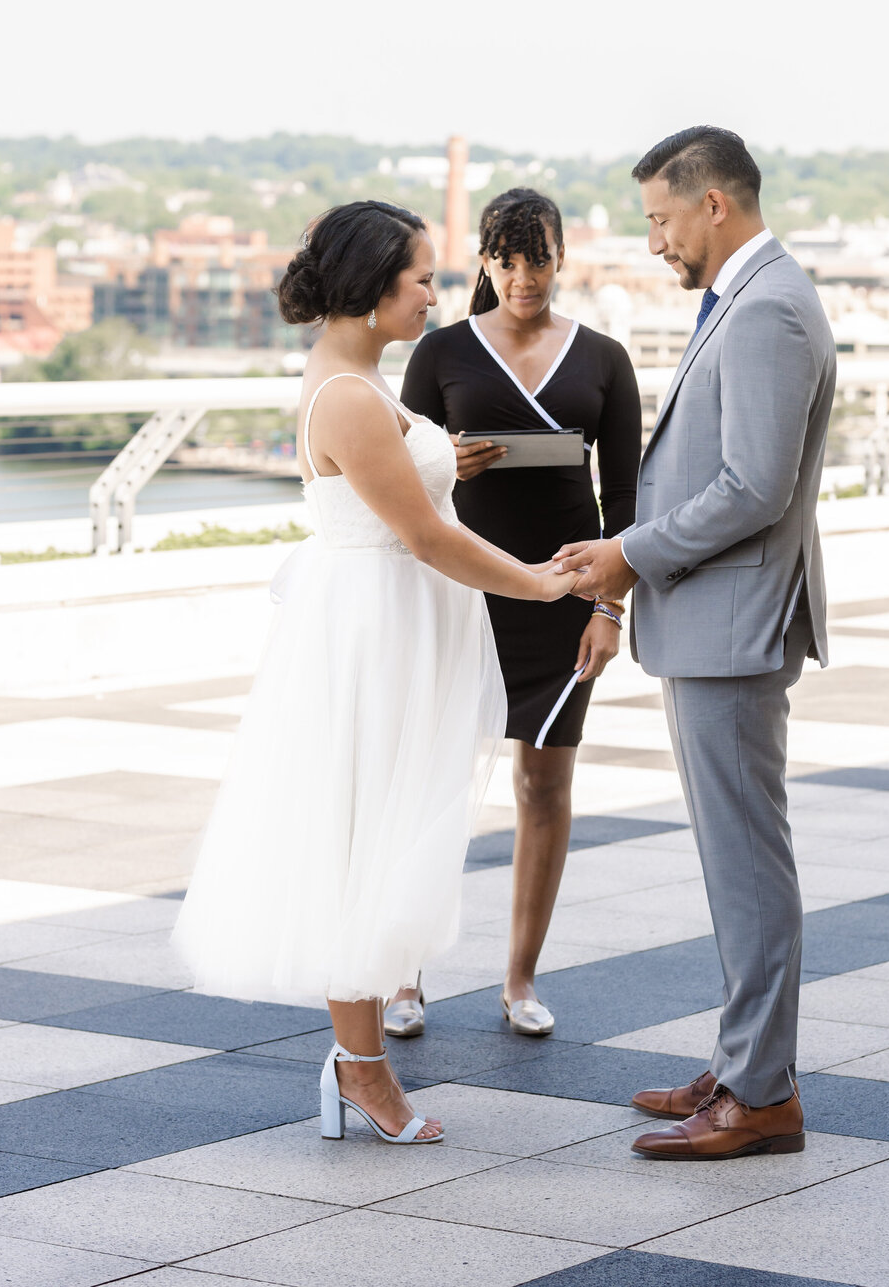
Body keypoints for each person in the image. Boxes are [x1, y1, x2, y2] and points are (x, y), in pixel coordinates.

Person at [174, 201, 573, 1148]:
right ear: (370, 284)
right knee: (360, 837)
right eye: (423, 277)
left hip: (384, 622)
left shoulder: (359, 380)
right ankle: (359, 1068)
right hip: (372, 633)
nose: (437, 292)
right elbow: (425, 536)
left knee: (376, 833)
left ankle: (359, 1063)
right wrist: (541, 585)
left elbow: (415, 501)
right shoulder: (349, 395)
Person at [555, 127, 836, 1161]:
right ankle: (746, 1061)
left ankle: (762, 1097)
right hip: (715, 622)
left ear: (714, 204)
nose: (656, 243)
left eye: (662, 221)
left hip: (732, 627)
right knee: (735, 862)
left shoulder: (766, 308)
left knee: (748, 863)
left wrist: (629, 553)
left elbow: (753, 489)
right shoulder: (749, 300)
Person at [389, 186, 641, 1037]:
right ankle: (403, 975)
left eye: (538, 257)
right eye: (507, 258)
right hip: (461, 594)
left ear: (563, 258)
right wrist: (443, 465)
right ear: (486, 262)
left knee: (544, 783)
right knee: (430, 782)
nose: (523, 275)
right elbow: (399, 491)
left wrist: (611, 610)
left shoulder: (604, 358)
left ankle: (521, 980)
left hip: (565, 598)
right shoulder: (441, 354)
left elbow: (628, 503)